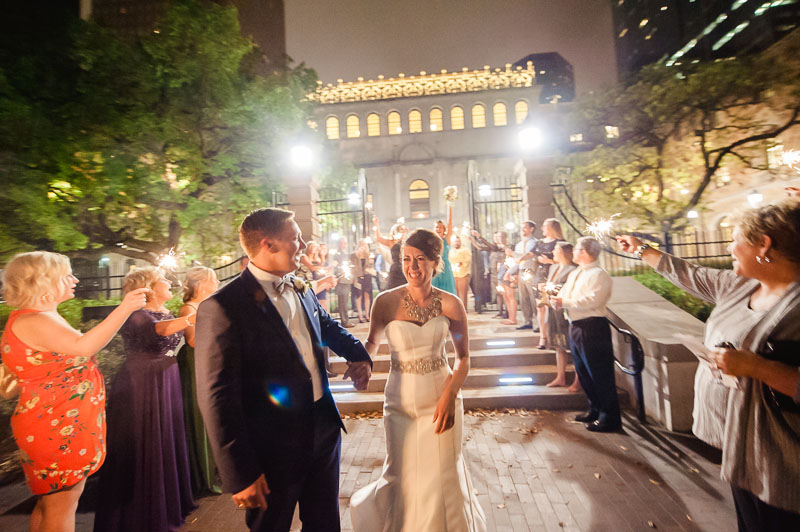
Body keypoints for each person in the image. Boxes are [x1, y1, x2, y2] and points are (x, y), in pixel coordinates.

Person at [617, 200, 800, 531]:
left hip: (784, 461)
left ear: (764, 244)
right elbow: (691, 275)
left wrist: (758, 368)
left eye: (735, 239)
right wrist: (642, 249)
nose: (729, 247)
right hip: (741, 450)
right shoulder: (740, 286)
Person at [194, 208, 372, 532]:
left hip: (323, 427)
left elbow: (325, 325)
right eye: (295, 238)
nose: (303, 244)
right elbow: (217, 396)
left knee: (325, 524)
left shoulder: (300, 286)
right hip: (272, 446)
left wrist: (358, 354)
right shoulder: (222, 306)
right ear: (268, 245)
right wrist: (240, 473)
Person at [349, 229, 486, 531]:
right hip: (400, 403)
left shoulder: (451, 304)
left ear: (436, 263)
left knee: (442, 475)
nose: (412, 267)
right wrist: (363, 363)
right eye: (407, 259)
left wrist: (450, 396)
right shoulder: (385, 302)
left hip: (442, 397)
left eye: (420, 259)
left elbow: (463, 358)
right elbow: (371, 343)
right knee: (404, 474)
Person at [0, 252, 147, 532]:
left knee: (49, 505)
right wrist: (125, 307)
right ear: (43, 282)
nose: (75, 279)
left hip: (56, 422)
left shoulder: (36, 317)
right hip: (56, 428)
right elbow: (84, 347)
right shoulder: (35, 320)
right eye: (67, 275)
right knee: (61, 510)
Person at [93, 267, 197, 532]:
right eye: (164, 280)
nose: (170, 283)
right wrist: (195, 316)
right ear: (148, 288)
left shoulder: (165, 311)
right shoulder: (136, 315)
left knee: (164, 438)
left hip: (166, 377)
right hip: (142, 383)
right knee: (146, 440)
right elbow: (159, 331)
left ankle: (167, 504)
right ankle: (141, 513)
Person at [551, 237, 620, 433]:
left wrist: (565, 301)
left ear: (585, 252)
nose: (572, 252)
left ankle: (610, 417)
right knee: (583, 371)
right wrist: (556, 298)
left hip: (593, 327)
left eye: (577, 249)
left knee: (599, 373)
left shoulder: (599, 275)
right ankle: (595, 408)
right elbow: (566, 293)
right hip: (576, 326)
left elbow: (592, 300)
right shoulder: (576, 273)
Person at [177, 266, 222, 497]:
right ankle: (204, 475)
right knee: (201, 416)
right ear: (202, 284)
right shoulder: (189, 307)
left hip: (210, 361)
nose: (218, 282)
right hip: (196, 363)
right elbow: (193, 340)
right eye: (214, 279)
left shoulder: (208, 305)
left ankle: (218, 469)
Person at [540, 242, 580, 391]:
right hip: (552, 310)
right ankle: (560, 376)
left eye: (556, 250)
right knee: (558, 344)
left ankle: (578, 379)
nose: (553, 252)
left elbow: (571, 289)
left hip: (564, 310)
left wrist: (557, 290)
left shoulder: (573, 270)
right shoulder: (553, 267)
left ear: (563, 252)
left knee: (571, 346)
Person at [533, 219, 565, 349]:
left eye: (545, 226)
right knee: (540, 306)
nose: (542, 229)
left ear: (552, 228)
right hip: (539, 276)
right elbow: (534, 256)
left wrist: (549, 261)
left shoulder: (560, 243)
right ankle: (543, 337)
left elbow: (565, 262)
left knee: (552, 307)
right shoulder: (540, 243)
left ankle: (556, 336)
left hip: (553, 276)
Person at [511, 220, 538, 330]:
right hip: (521, 270)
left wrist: (518, 257)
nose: (522, 230)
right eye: (522, 228)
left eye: (525, 227)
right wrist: (513, 272)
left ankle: (538, 322)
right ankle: (527, 320)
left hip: (531, 270)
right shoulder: (519, 244)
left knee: (533, 296)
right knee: (523, 297)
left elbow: (529, 255)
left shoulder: (535, 242)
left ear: (531, 229)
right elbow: (516, 259)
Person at [374, 215, 409, 290]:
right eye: (400, 230)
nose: (402, 231)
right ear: (396, 231)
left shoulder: (407, 242)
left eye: (403, 230)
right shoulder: (391, 242)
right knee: (393, 290)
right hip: (396, 269)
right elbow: (379, 239)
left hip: (405, 267)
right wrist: (376, 224)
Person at [432, 205, 457, 295]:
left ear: (444, 229)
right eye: (436, 227)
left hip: (445, 268)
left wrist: (449, 204)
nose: (438, 229)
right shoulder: (430, 241)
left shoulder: (446, 240)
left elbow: (450, 223)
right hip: (434, 267)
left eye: (440, 227)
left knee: (447, 292)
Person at [332, 237, 354, 328]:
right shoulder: (337, 254)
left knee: (345, 301)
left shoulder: (346, 254)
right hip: (341, 281)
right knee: (342, 302)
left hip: (346, 280)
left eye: (345, 243)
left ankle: (345, 320)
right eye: (342, 243)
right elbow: (336, 265)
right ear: (339, 244)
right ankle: (344, 321)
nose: (344, 245)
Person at [353, 239, 375, 322]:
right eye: (360, 244)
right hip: (358, 277)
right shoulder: (355, 255)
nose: (362, 246)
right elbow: (353, 266)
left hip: (367, 276)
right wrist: (357, 255)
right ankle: (360, 316)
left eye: (363, 244)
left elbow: (370, 267)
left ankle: (367, 315)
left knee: (367, 295)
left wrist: (371, 262)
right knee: (358, 295)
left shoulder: (369, 255)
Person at [450, 234, 472, 310]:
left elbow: (468, 259)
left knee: (462, 294)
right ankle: (457, 310)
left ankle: (463, 310)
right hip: (453, 274)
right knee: (455, 293)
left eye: (458, 241)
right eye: (455, 241)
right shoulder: (451, 250)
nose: (456, 243)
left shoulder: (465, 250)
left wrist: (461, 263)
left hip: (463, 274)